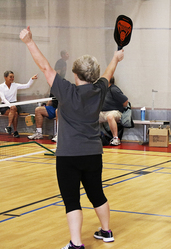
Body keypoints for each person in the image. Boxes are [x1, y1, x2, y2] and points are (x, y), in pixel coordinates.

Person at [20, 26, 124, 249]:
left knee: (72, 201)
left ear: (75, 74)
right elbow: (108, 73)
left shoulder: (65, 91)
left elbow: (45, 66)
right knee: (97, 193)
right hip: (94, 154)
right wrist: (116, 58)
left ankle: (76, 244)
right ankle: (106, 232)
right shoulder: (99, 90)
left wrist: (29, 42)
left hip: (68, 156)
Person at [0, 71, 38, 138]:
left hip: (14, 104)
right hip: (5, 105)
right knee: (15, 114)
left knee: (14, 109)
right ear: (5, 77)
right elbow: (3, 98)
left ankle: (8, 126)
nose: (12, 78)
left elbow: (27, 85)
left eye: (13, 77)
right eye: (10, 77)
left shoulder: (15, 85)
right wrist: (10, 106)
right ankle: (15, 131)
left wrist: (31, 79)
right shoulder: (1, 86)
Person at [99, 76, 128, 146]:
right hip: (103, 112)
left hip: (115, 112)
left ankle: (116, 138)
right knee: (91, 115)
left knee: (110, 116)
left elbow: (125, 101)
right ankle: (92, 137)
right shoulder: (102, 90)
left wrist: (121, 109)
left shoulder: (114, 89)